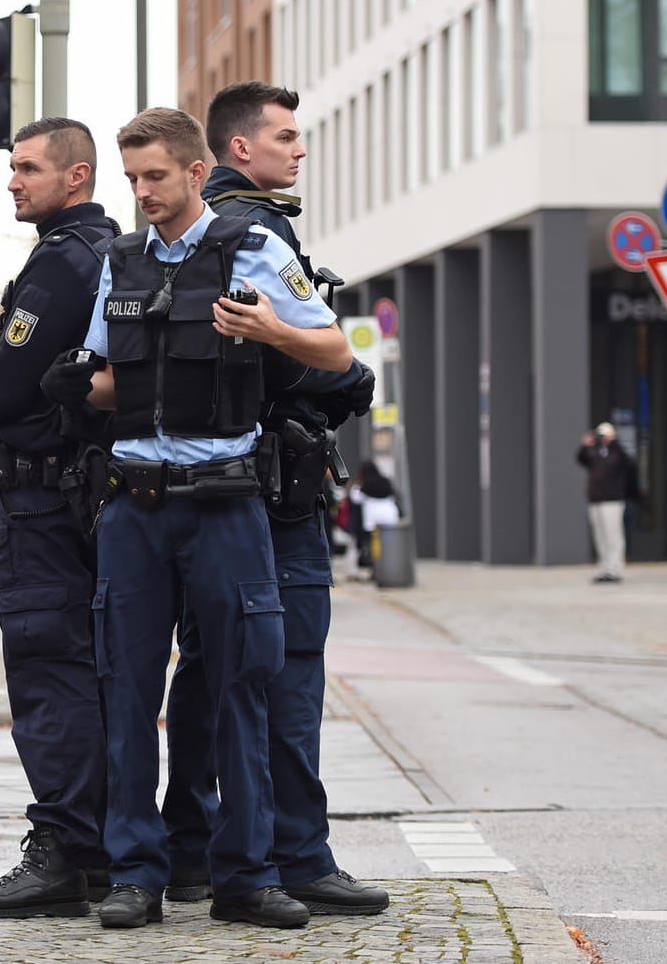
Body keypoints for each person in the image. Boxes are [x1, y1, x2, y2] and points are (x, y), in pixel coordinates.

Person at [41, 106, 353, 931]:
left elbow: (338, 353)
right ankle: (136, 875)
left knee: (242, 688)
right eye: (132, 178)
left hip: (227, 503)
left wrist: (271, 327)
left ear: (192, 171)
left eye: (154, 176)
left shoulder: (253, 247)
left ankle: (245, 875)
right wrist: (79, 386)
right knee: (128, 688)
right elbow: (114, 381)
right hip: (135, 506)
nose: (142, 192)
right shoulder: (121, 261)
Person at [156, 81, 387, 918]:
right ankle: (298, 853)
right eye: (287, 137)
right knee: (285, 672)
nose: (299, 149)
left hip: (207, 492)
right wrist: (351, 375)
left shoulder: (190, 230)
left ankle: (193, 847)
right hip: (275, 490)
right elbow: (285, 355)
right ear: (239, 149)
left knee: (210, 672)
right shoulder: (256, 229)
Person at [0, 118, 118, 919]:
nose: (13, 181)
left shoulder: (63, 262)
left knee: (50, 672)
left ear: (75, 176)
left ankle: (64, 853)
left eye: (28, 168)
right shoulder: (102, 251)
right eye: (12, 168)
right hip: (79, 495)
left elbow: (8, 378)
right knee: (92, 672)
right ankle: (104, 846)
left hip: (41, 502)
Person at [575, 421, 637, 583]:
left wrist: (613, 442)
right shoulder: (595, 452)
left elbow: (628, 463)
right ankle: (604, 567)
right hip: (596, 500)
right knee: (600, 535)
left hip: (613, 500)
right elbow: (581, 459)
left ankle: (615, 569)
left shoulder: (616, 452)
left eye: (604, 435)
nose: (601, 438)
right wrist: (585, 445)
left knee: (613, 535)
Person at [347, 461, 401, 583]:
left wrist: (355, 486)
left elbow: (355, 498)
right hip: (390, 516)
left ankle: (376, 570)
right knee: (388, 547)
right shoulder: (386, 481)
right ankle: (387, 569)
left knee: (374, 547)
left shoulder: (364, 485)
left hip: (372, 520)